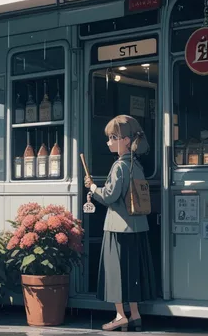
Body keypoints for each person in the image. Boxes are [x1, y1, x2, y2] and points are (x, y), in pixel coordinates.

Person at [84, 115, 157, 332]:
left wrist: (93, 188)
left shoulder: (118, 167)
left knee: (116, 273)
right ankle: (134, 314)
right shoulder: (137, 166)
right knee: (132, 273)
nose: (108, 142)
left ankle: (119, 315)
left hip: (117, 227)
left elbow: (109, 196)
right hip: (137, 226)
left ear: (126, 140)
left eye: (113, 137)